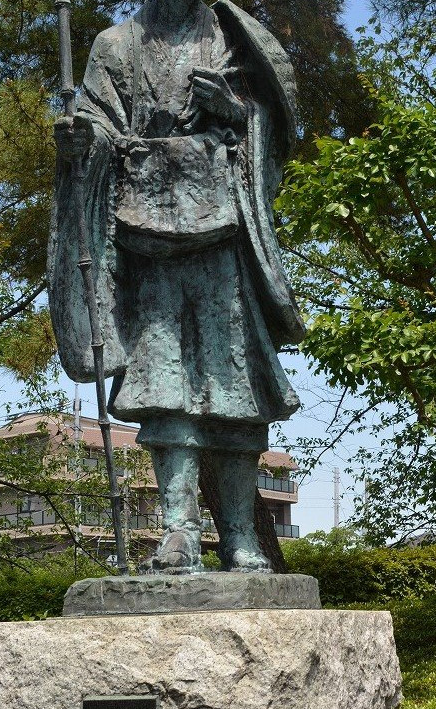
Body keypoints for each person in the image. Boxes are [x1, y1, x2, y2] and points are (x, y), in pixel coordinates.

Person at [49, 0, 304, 574]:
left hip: (223, 234)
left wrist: (235, 111)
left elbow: (276, 127)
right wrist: (79, 139)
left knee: (235, 389)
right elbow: (97, 122)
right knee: (162, 384)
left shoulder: (234, 38)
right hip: (149, 235)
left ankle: (241, 537)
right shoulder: (116, 46)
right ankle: (178, 533)